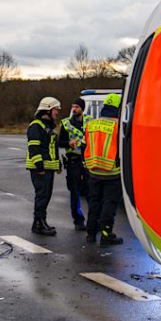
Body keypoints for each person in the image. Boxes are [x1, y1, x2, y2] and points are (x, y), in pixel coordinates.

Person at [84, 93, 124, 246]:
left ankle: (90, 234)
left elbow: (84, 146)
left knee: (94, 203)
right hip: (111, 172)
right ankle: (106, 235)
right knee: (109, 204)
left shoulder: (91, 124)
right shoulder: (118, 126)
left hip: (94, 170)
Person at [26, 97, 62, 236]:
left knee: (45, 196)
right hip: (40, 169)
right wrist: (39, 167)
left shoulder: (47, 127)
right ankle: (38, 224)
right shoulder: (36, 126)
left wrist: (57, 164)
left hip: (48, 168)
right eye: (55, 110)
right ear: (47, 110)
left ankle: (41, 222)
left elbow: (52, 149)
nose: (57, 113)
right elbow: (34, 148)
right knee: (42, 196)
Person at [58, 97, 92, 231]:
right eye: (73, 106)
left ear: (82, 108)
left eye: (76, 107)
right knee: (75, 193)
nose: (74, 109)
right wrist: (68, 143)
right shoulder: (66, 123)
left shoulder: (90, 121)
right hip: (74, 161)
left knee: (91, 193)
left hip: (88, 161)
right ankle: (78, 220)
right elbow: (60, 143)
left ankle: (94, 220)